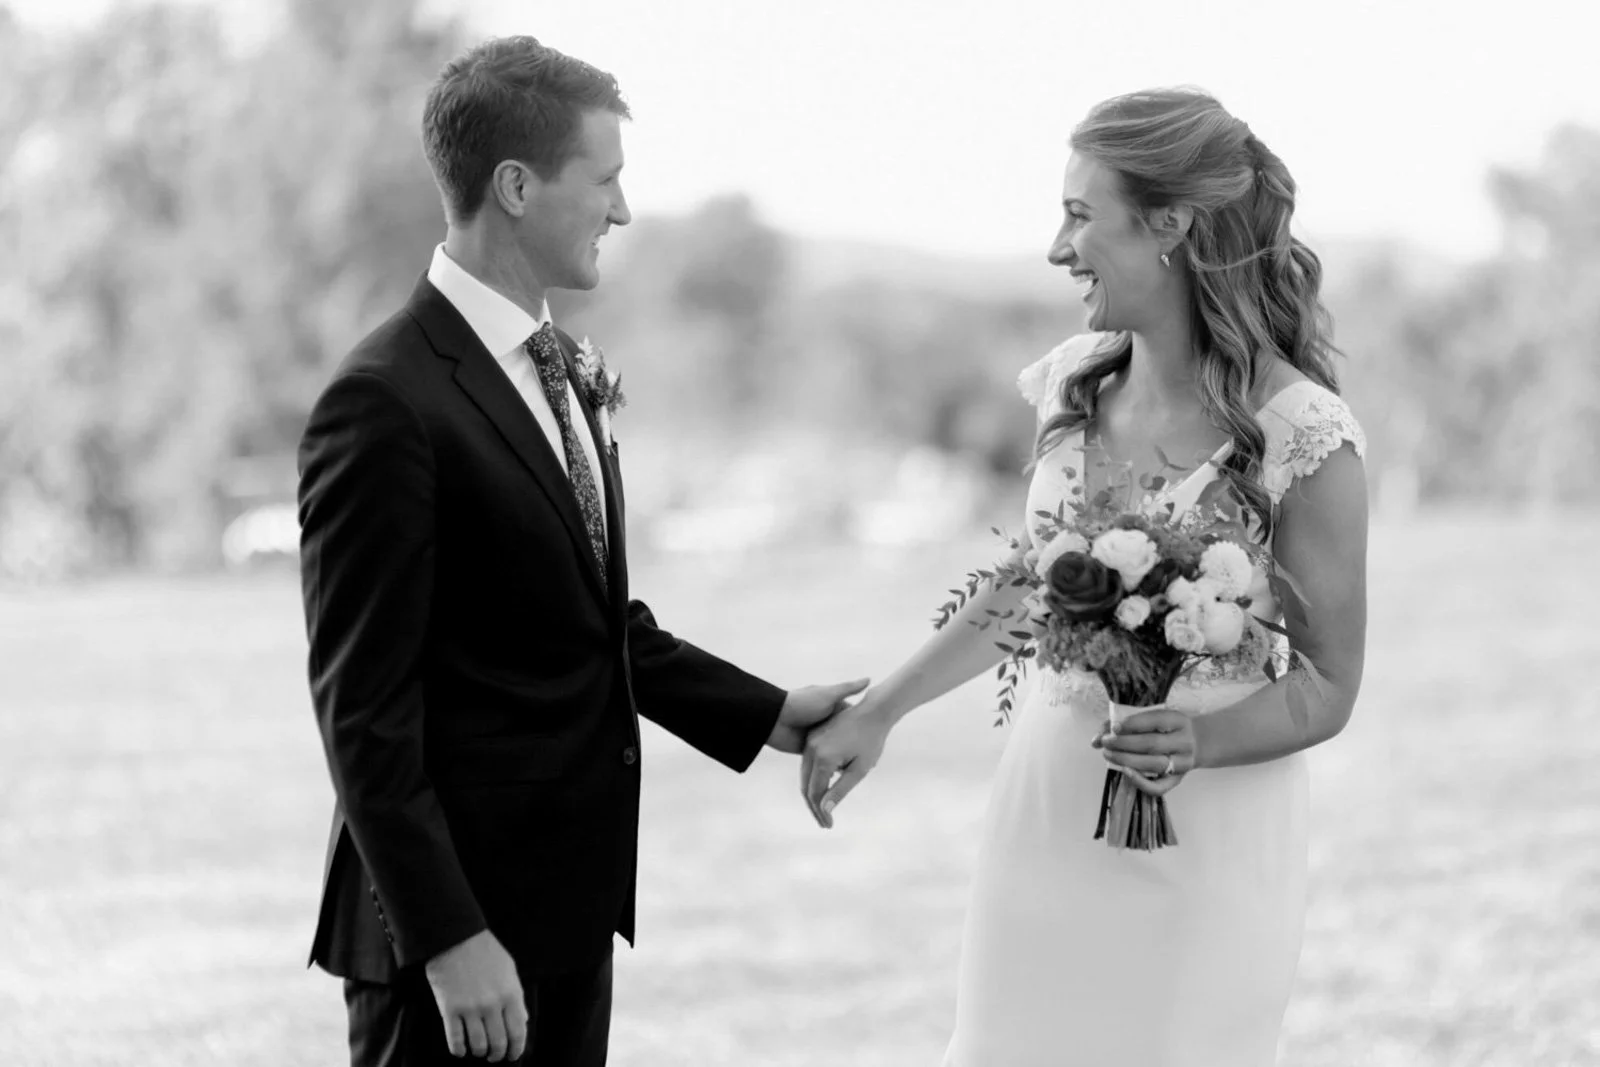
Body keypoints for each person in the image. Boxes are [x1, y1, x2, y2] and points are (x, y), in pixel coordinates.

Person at [297, 36, 865, 1067]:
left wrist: (769, 712)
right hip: (449, 947)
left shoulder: (559, 367)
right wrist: (449, 935)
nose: (623, 210)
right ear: (515, 186)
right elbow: (361, 709)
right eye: (603, 180)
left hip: (564, 914)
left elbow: (594, 625)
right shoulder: (384, 400)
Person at [801, 88, 1368, 1066]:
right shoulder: (1074, 382)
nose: (1058, 249)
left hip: (1209, 841)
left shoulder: (1301, 434)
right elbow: (1033, 584)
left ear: (1169, 227)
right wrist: (880, 708)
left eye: (1078, 215)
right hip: (1049, 807)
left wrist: (1196, 736)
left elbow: (1325, 682)